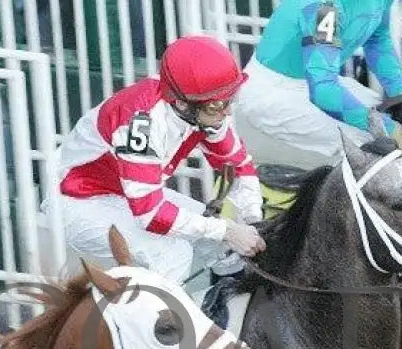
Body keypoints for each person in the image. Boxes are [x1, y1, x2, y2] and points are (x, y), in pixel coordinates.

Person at [55, 34, 266, 284]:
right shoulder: (140, 124)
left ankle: (222, 311)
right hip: (79, 202)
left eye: (230, 99)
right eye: (217, 106)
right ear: (182, 104)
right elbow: (150, 215)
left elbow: (238, 164)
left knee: (220, 245)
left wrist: (254, 219)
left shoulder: (200, 105)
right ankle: (154, 322)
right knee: (174, 254)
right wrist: (228, 230)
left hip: (126, 196)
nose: (227, 110)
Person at [233, 0, 402, 170]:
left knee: (389, 119)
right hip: (272, 95)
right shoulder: (323, 8)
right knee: (375, 144)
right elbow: (324, 91)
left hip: (315, 82)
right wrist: (385, 127)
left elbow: (379, 42)